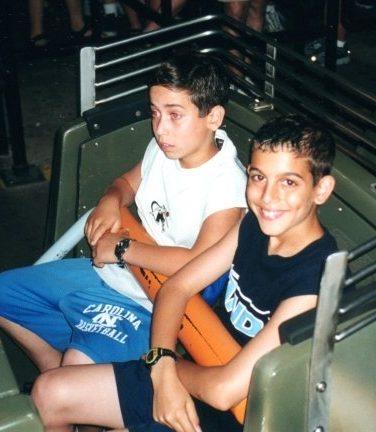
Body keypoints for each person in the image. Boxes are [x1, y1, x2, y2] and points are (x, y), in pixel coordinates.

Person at [31, 114, 338, 432]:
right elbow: (175, 288)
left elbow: (223, 392)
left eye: (288, 182)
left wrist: (165, 369)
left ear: (321, 189)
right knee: (48, 393)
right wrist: (162, 364)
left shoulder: (316, 281)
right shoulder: (253, 226)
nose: (268, 197)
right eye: (259, 177)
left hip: (235, 414)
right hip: (189, 370)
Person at [0, 53, 246, 372]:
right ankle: (50, 364)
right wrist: (110, 199)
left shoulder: (227, 186)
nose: (160, 129)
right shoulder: (165, 149)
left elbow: (197, 263)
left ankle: (67, 379)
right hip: (115, 273)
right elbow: (126, 183)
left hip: (150, 302)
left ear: (213, 117)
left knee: (75, 367)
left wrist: (121, 249)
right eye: (155, 113)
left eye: (175, 115)